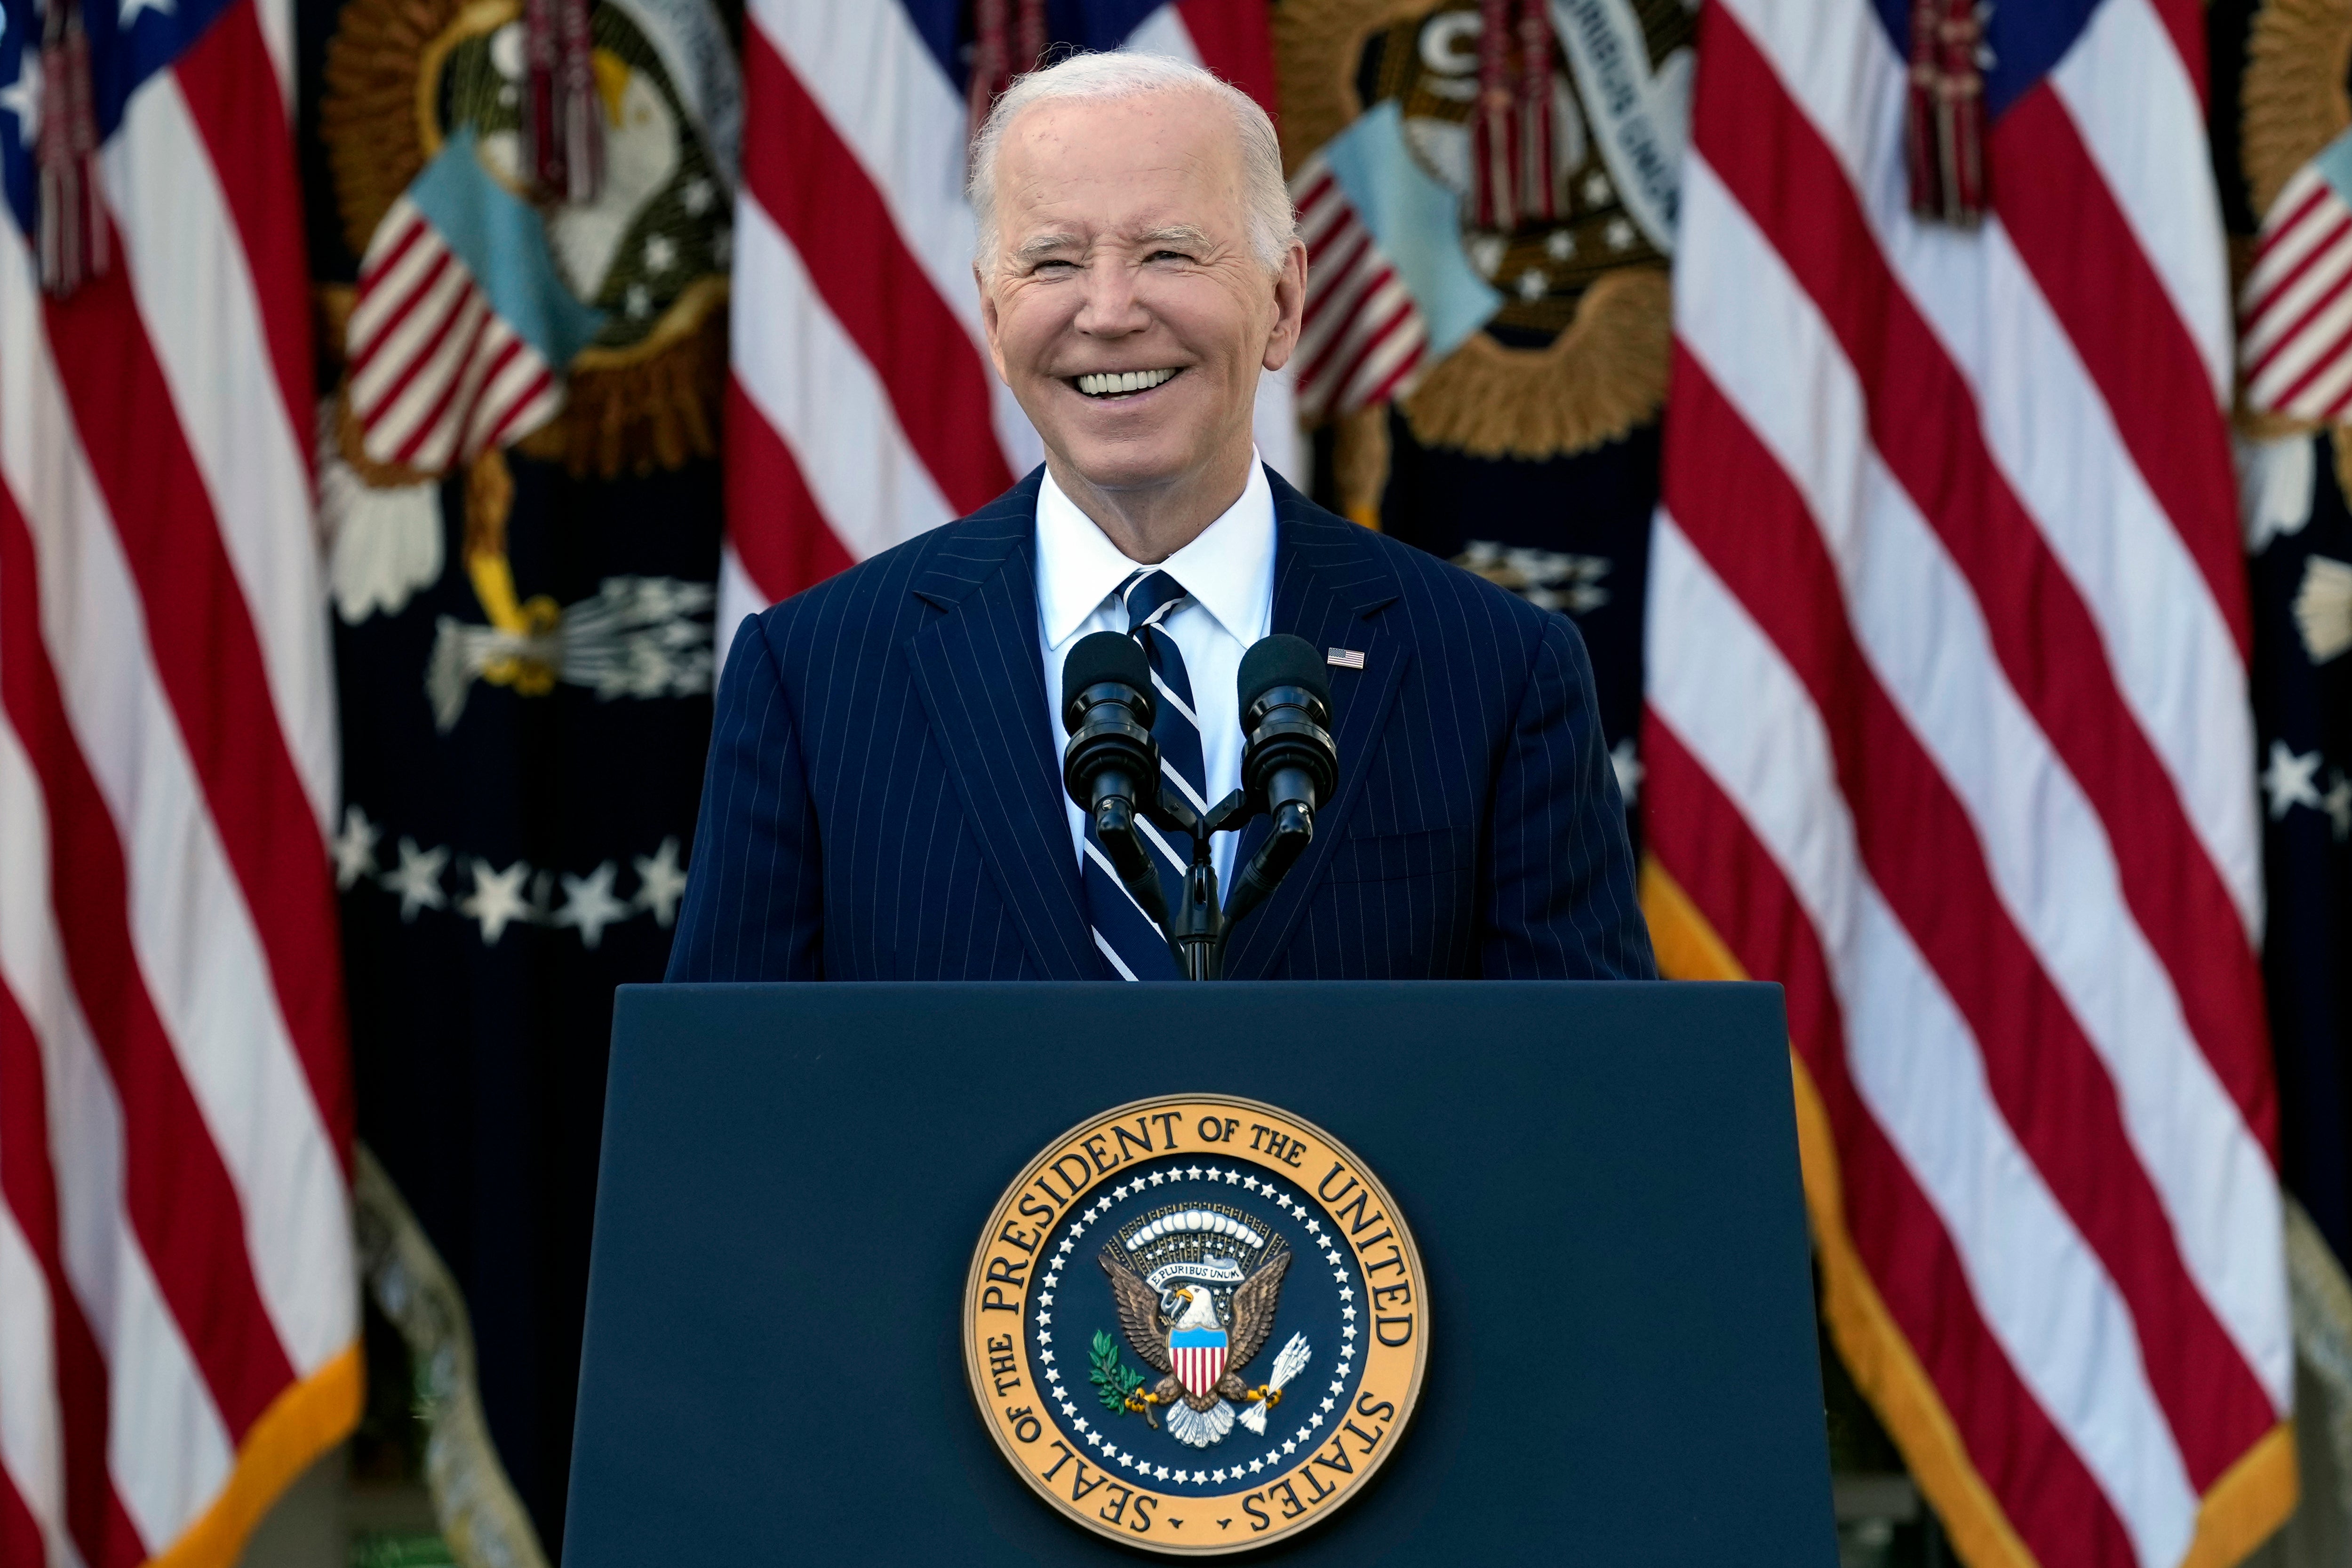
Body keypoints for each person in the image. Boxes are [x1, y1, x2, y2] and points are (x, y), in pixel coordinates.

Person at [666, 51, 1654, 983]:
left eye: (1168, 252)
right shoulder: (813, 675)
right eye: (1052, 263)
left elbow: (1584, 1100)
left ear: (1282, 301)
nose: (1107, 310)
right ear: (991, 315)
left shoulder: (1497, 672)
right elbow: (730, 1105)